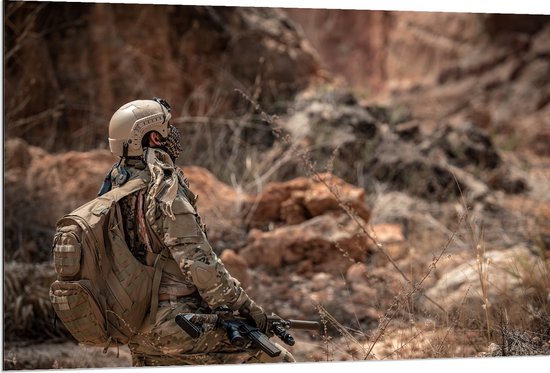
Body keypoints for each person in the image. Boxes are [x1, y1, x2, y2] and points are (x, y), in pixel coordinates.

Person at [103, 98, 295, 365]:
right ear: (154, 137)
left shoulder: (112, 192)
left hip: (133, 327)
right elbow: (200, 265)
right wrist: (249, 309)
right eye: (168, 128)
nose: (174, 134)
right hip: (176, 327)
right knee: (277, 361)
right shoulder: (164, 192)